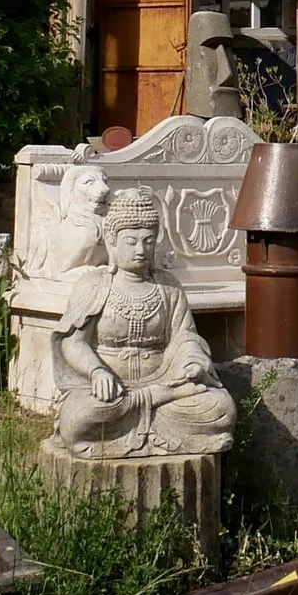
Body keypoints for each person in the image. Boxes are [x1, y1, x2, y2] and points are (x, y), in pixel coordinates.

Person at [51, 187, 235, 458]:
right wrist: (96, 372)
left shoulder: (168, 287)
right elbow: (73, 342)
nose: (141, 250)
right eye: (131, 241)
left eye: (148, 241)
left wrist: (192, 362)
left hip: (166, 382)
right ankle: (151, 402)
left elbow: (185, 338)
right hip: (111, 391)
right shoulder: (95, 285)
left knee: (222, 409)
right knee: (77, 419)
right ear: (112, 242)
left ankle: (149, 405)